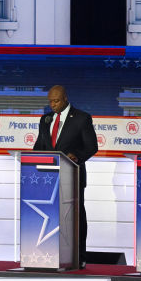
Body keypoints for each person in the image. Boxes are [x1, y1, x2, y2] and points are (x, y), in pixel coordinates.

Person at [32, 84, 98, 267]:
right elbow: (39, 147)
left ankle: (79, 257)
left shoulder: (81, 118)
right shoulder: (45, 120)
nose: (52, 104)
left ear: (65, 98)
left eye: (56, 101)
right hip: (48, 178)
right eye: (50, 101)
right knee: (50, 216)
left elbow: (92, 147)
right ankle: (50, 253)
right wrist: (33, 160)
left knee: (76, 217)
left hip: (72, 176)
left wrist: (76, 156)